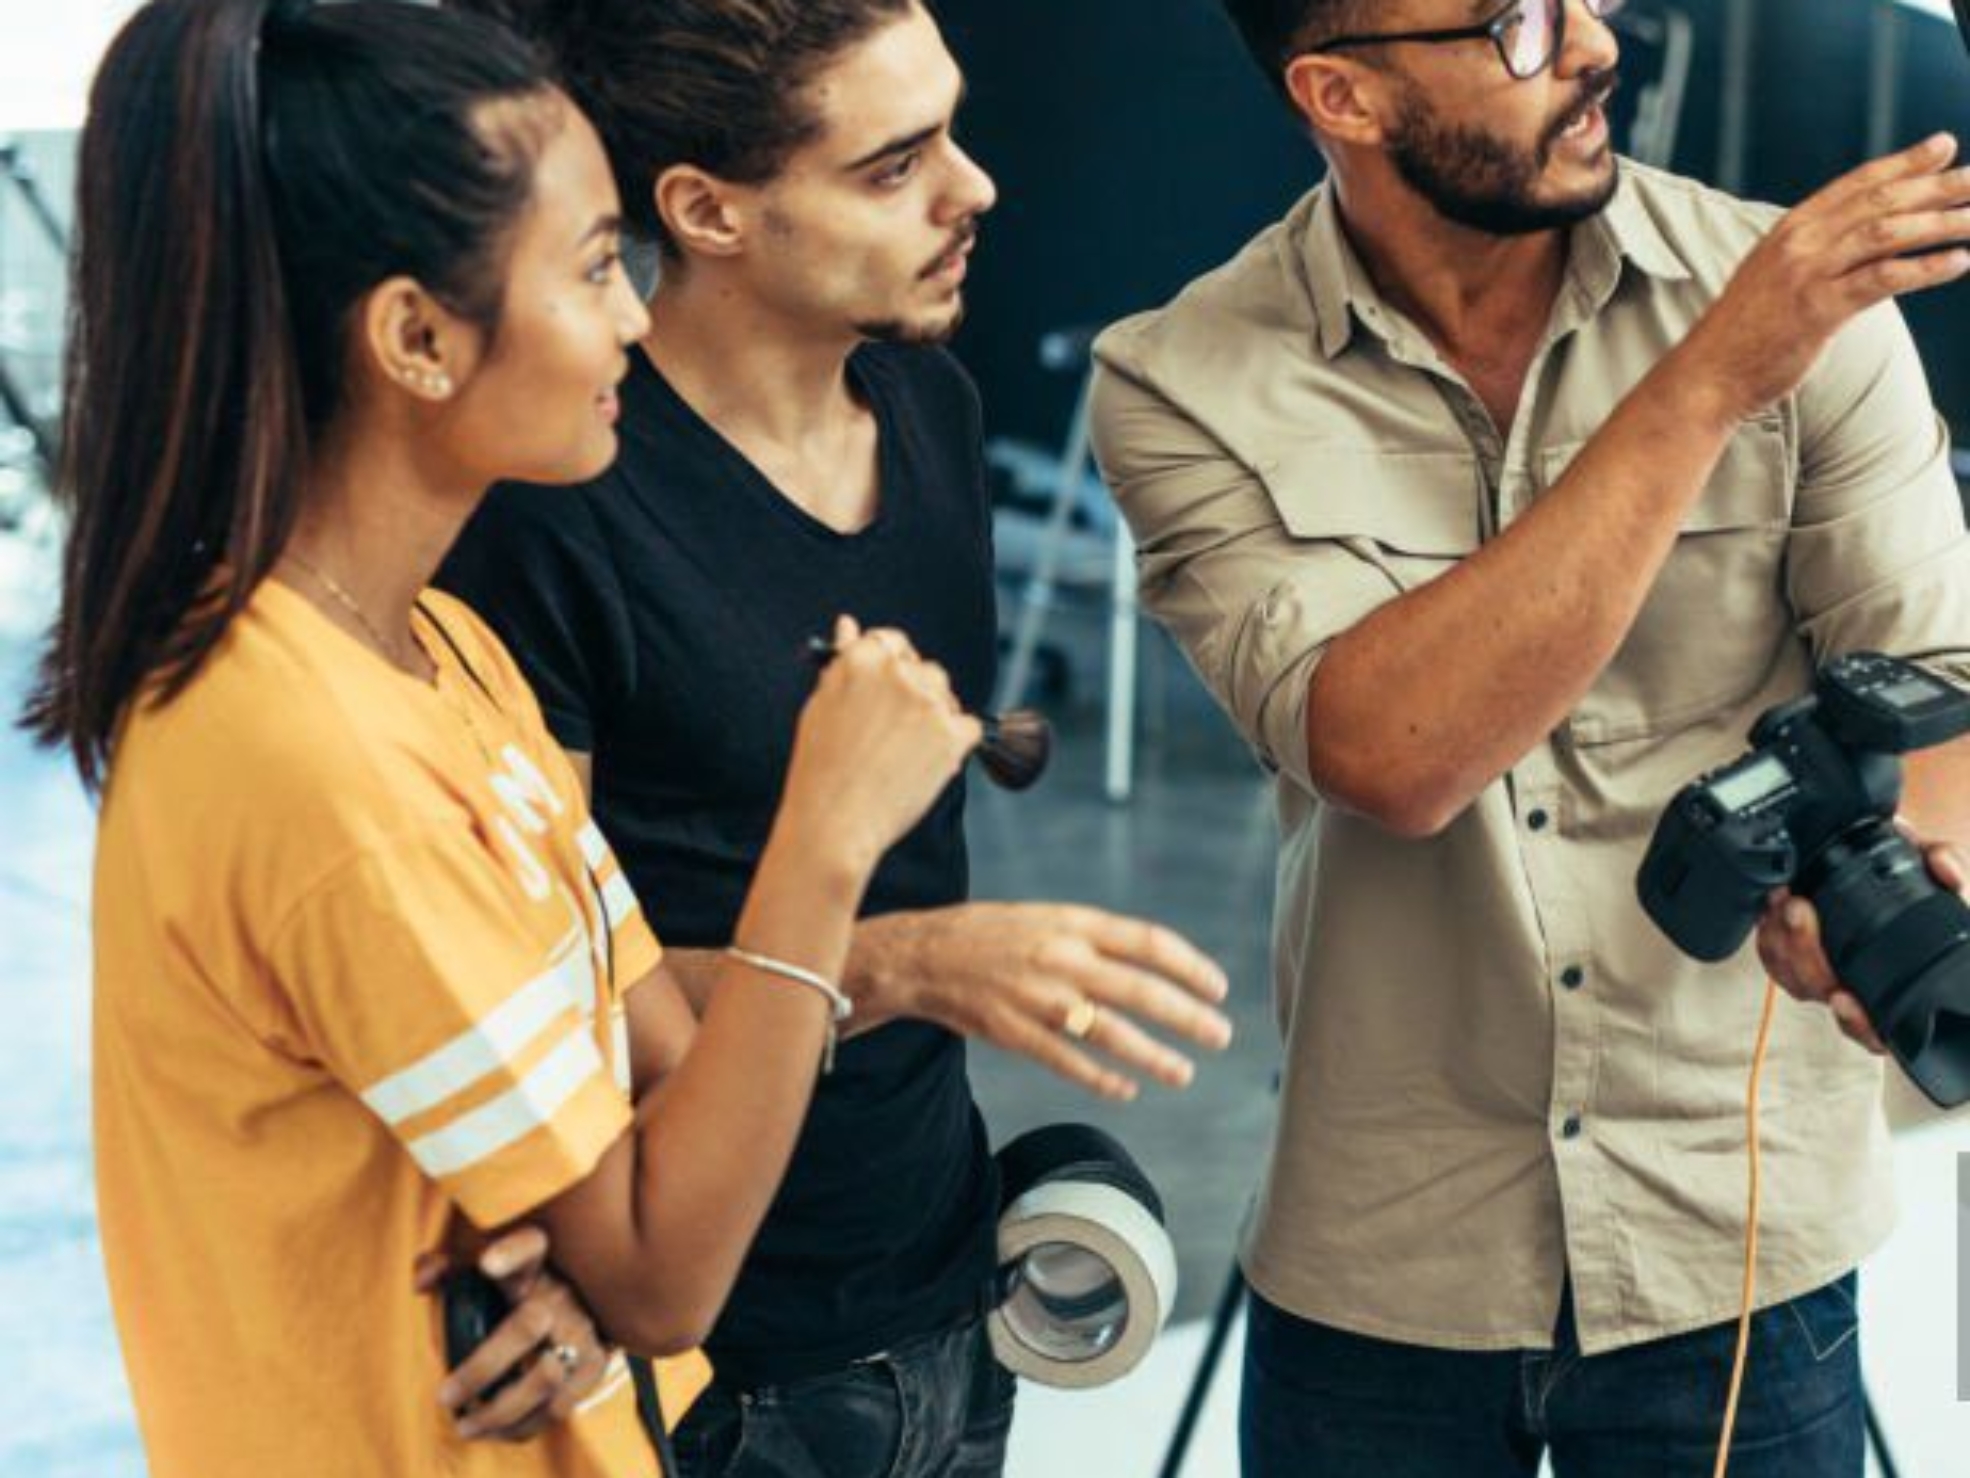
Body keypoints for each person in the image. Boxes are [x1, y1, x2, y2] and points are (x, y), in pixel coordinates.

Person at [22, 1, 983, 1473]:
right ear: (415, 336)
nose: (630, 316)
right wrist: (825, 836)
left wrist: (590, 1264)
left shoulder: (441, 653)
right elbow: (667, 1271)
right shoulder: (309, 762)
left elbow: (655, 1067)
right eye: (596, 266)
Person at [1087, 1, 1970, 1474]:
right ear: (1339, 93)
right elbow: (1392, 749)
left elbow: (1936, 677)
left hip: (1736, 1232)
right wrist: (1702, 385)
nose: (1586, 46)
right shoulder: (1182, 376)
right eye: (1508, 23)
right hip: (1386, 1253)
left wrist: (1918, 865)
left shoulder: (1796, 303)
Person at [434, 3, 1235, 1474]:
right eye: (893, 165)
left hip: (938, 1290)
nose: (973, 188)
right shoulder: (550, 516)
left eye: (953, 130)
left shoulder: (928, 406)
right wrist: (913, 962)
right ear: (707, 209)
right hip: (702, 1357)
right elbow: (536, 997)